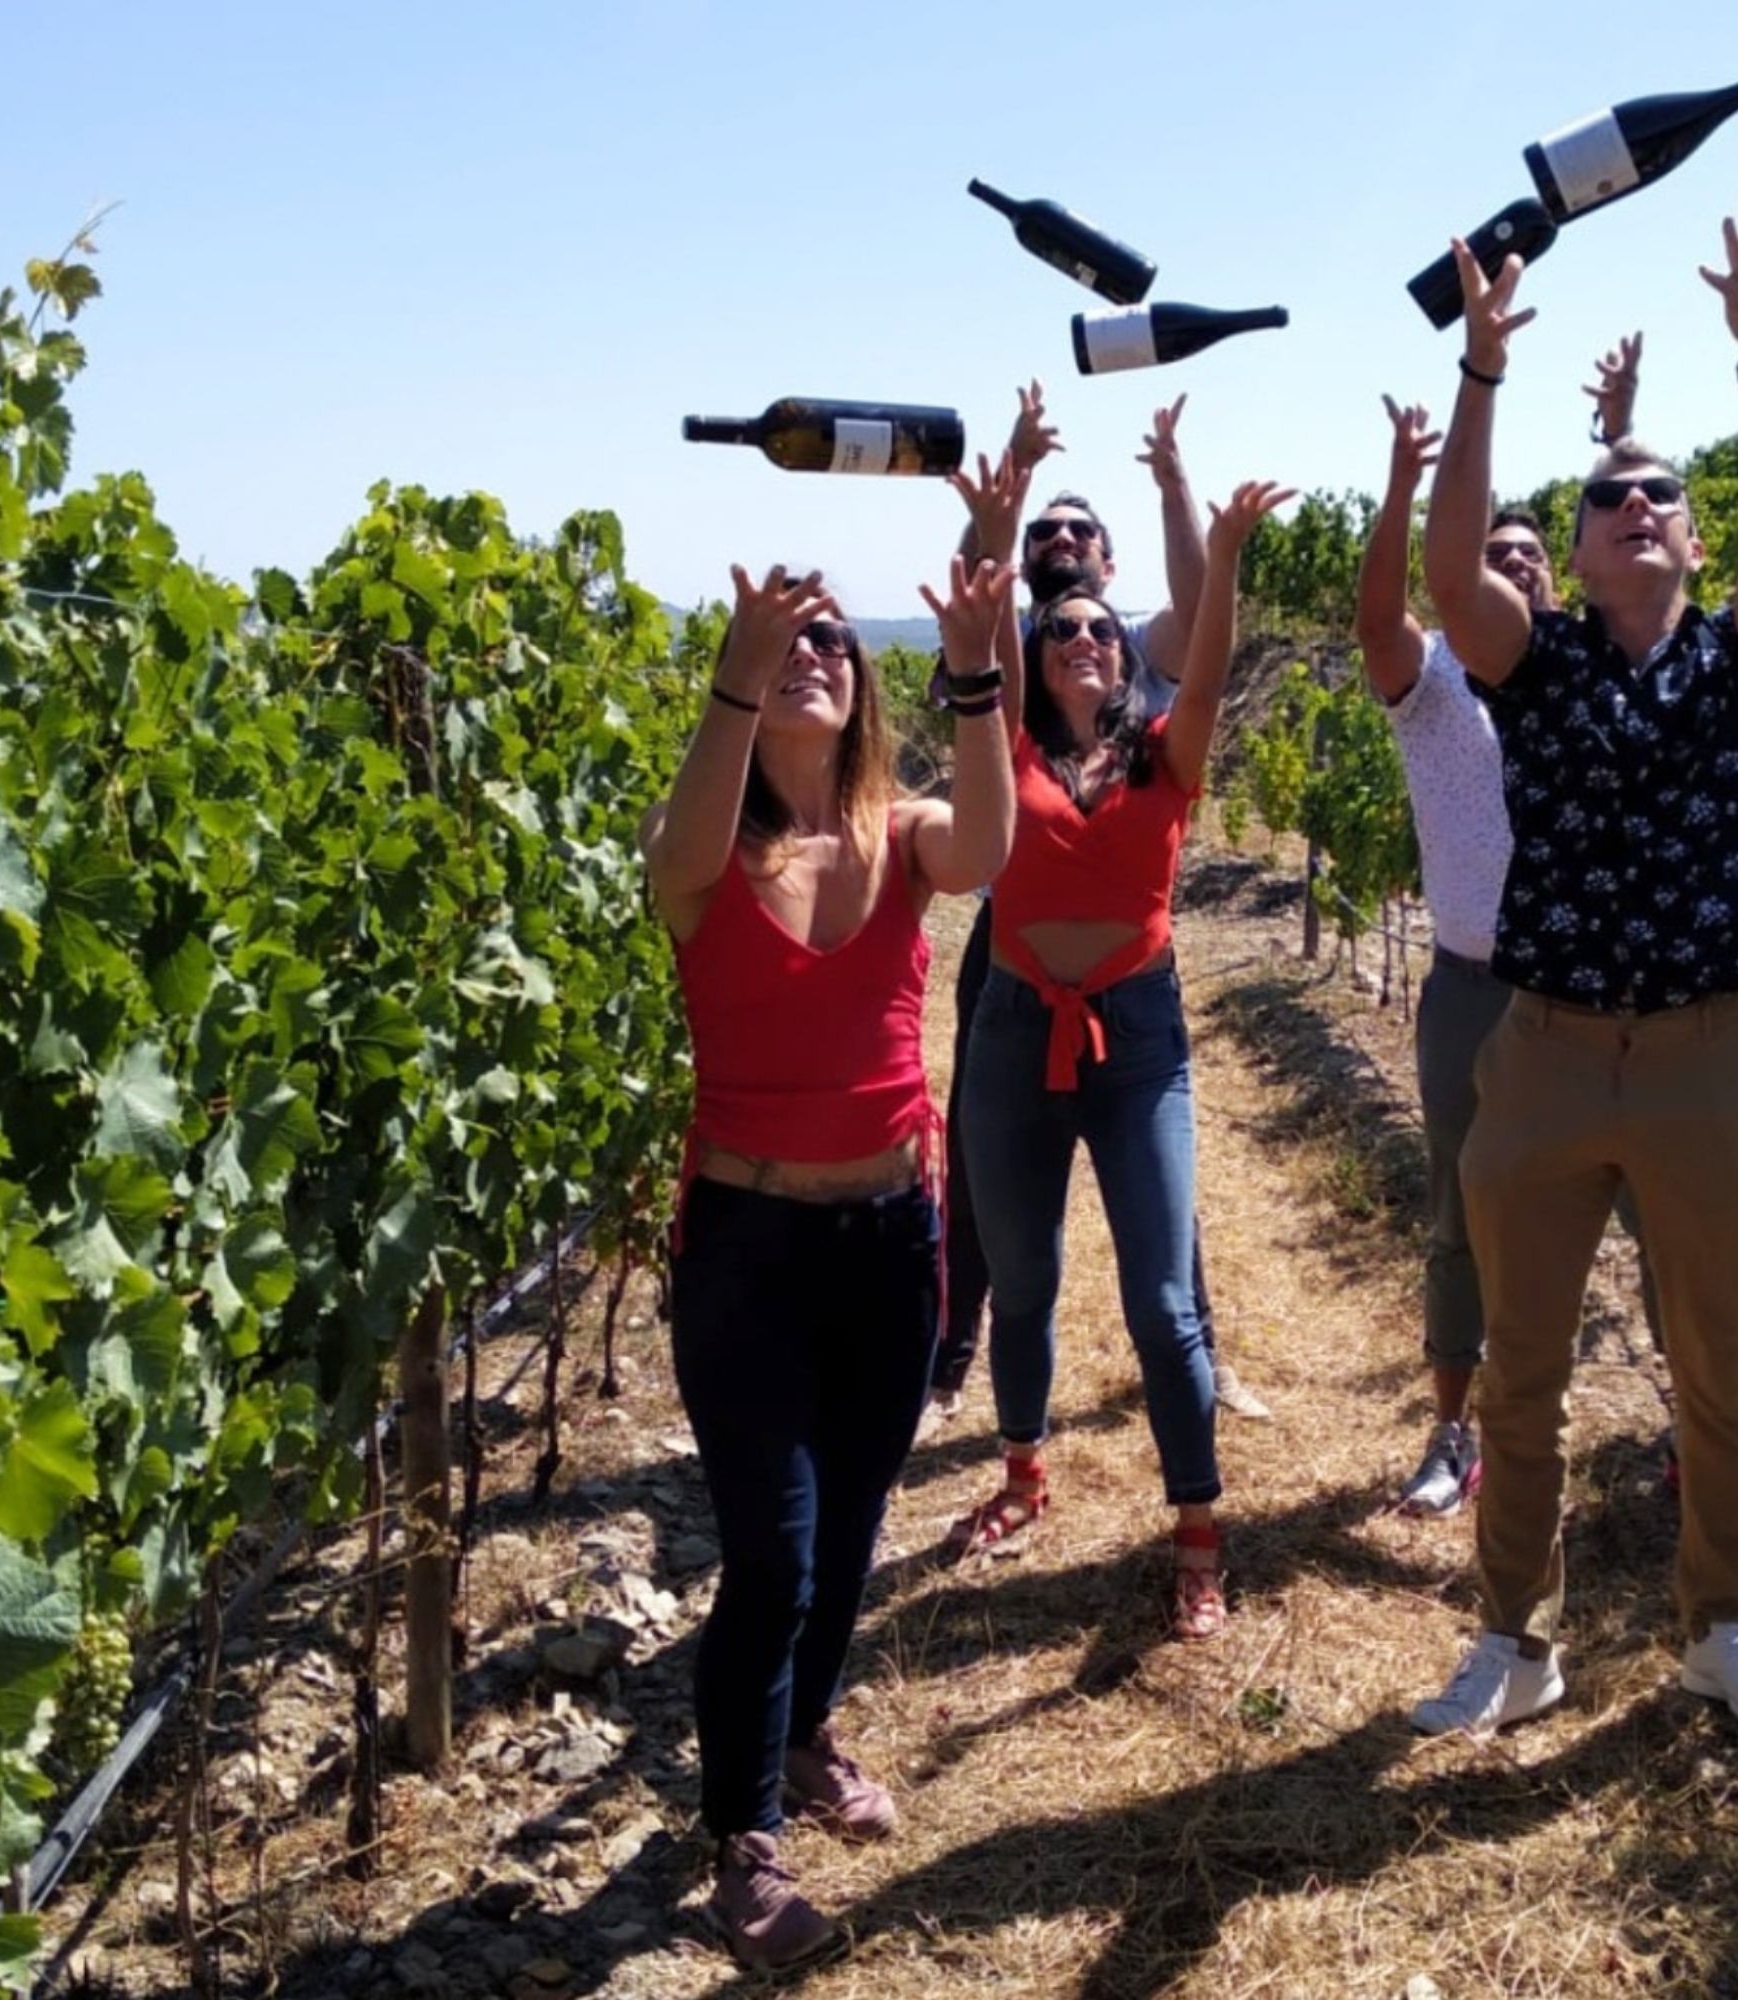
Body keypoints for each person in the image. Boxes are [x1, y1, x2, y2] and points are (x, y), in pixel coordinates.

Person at [1406, 199, 1738, 1738]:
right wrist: (1481, 378)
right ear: (1575, 552)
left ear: (1697, 537)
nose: (1638, 504)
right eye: (1610, 499)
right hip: (1549, 1050)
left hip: (1712, 1055)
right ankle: (1516, 1640)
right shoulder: (1541, 664)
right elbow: (1455, 568)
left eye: (1662, 494)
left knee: (1722, 1370)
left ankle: (1725, 1624)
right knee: (1520, 1374)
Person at [640, 522, 1019, 1973]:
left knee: (851, 1538)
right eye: (787, 643)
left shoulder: (903, 834)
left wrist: (978, 673)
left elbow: (986, 847)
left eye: (832, 645)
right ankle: (740, 1836)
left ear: (867, 687)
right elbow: (676, 857)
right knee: (773, 1556)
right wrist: (730, 689)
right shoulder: (705, 856)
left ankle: (800, 1739)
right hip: (745, 1249)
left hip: (888, 1239)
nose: (812, 657)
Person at [944, 474, 1296, 1642]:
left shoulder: (1164, 749)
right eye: (1064, 629)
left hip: (1138, 1037)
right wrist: (1000, 515)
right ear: (1037, 656)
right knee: (1026, 1275)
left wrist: (1227, 547)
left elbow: (1207, 655)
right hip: (1013, 1030)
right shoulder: (1000, 741)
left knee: (1160, 1298)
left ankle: (1198, 1532)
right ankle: (1023, 1472)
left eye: (1101, 625)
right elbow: (986, 624)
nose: (1084, 636)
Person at [926, 387, 1273, 1425]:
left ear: (1112, 571)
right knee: (988, 1159)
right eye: (1048, 533)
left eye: (1082, 532)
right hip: (1014, 937)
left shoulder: (1133, 651)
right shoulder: (1010, 663)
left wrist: (1174, 479)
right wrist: (1006, 496)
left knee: (1147, 1160)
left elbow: (1206, 614)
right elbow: (976, 604)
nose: (1063, 541)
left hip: (1128, 951)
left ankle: (1194, 1346)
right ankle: (958, 1352)